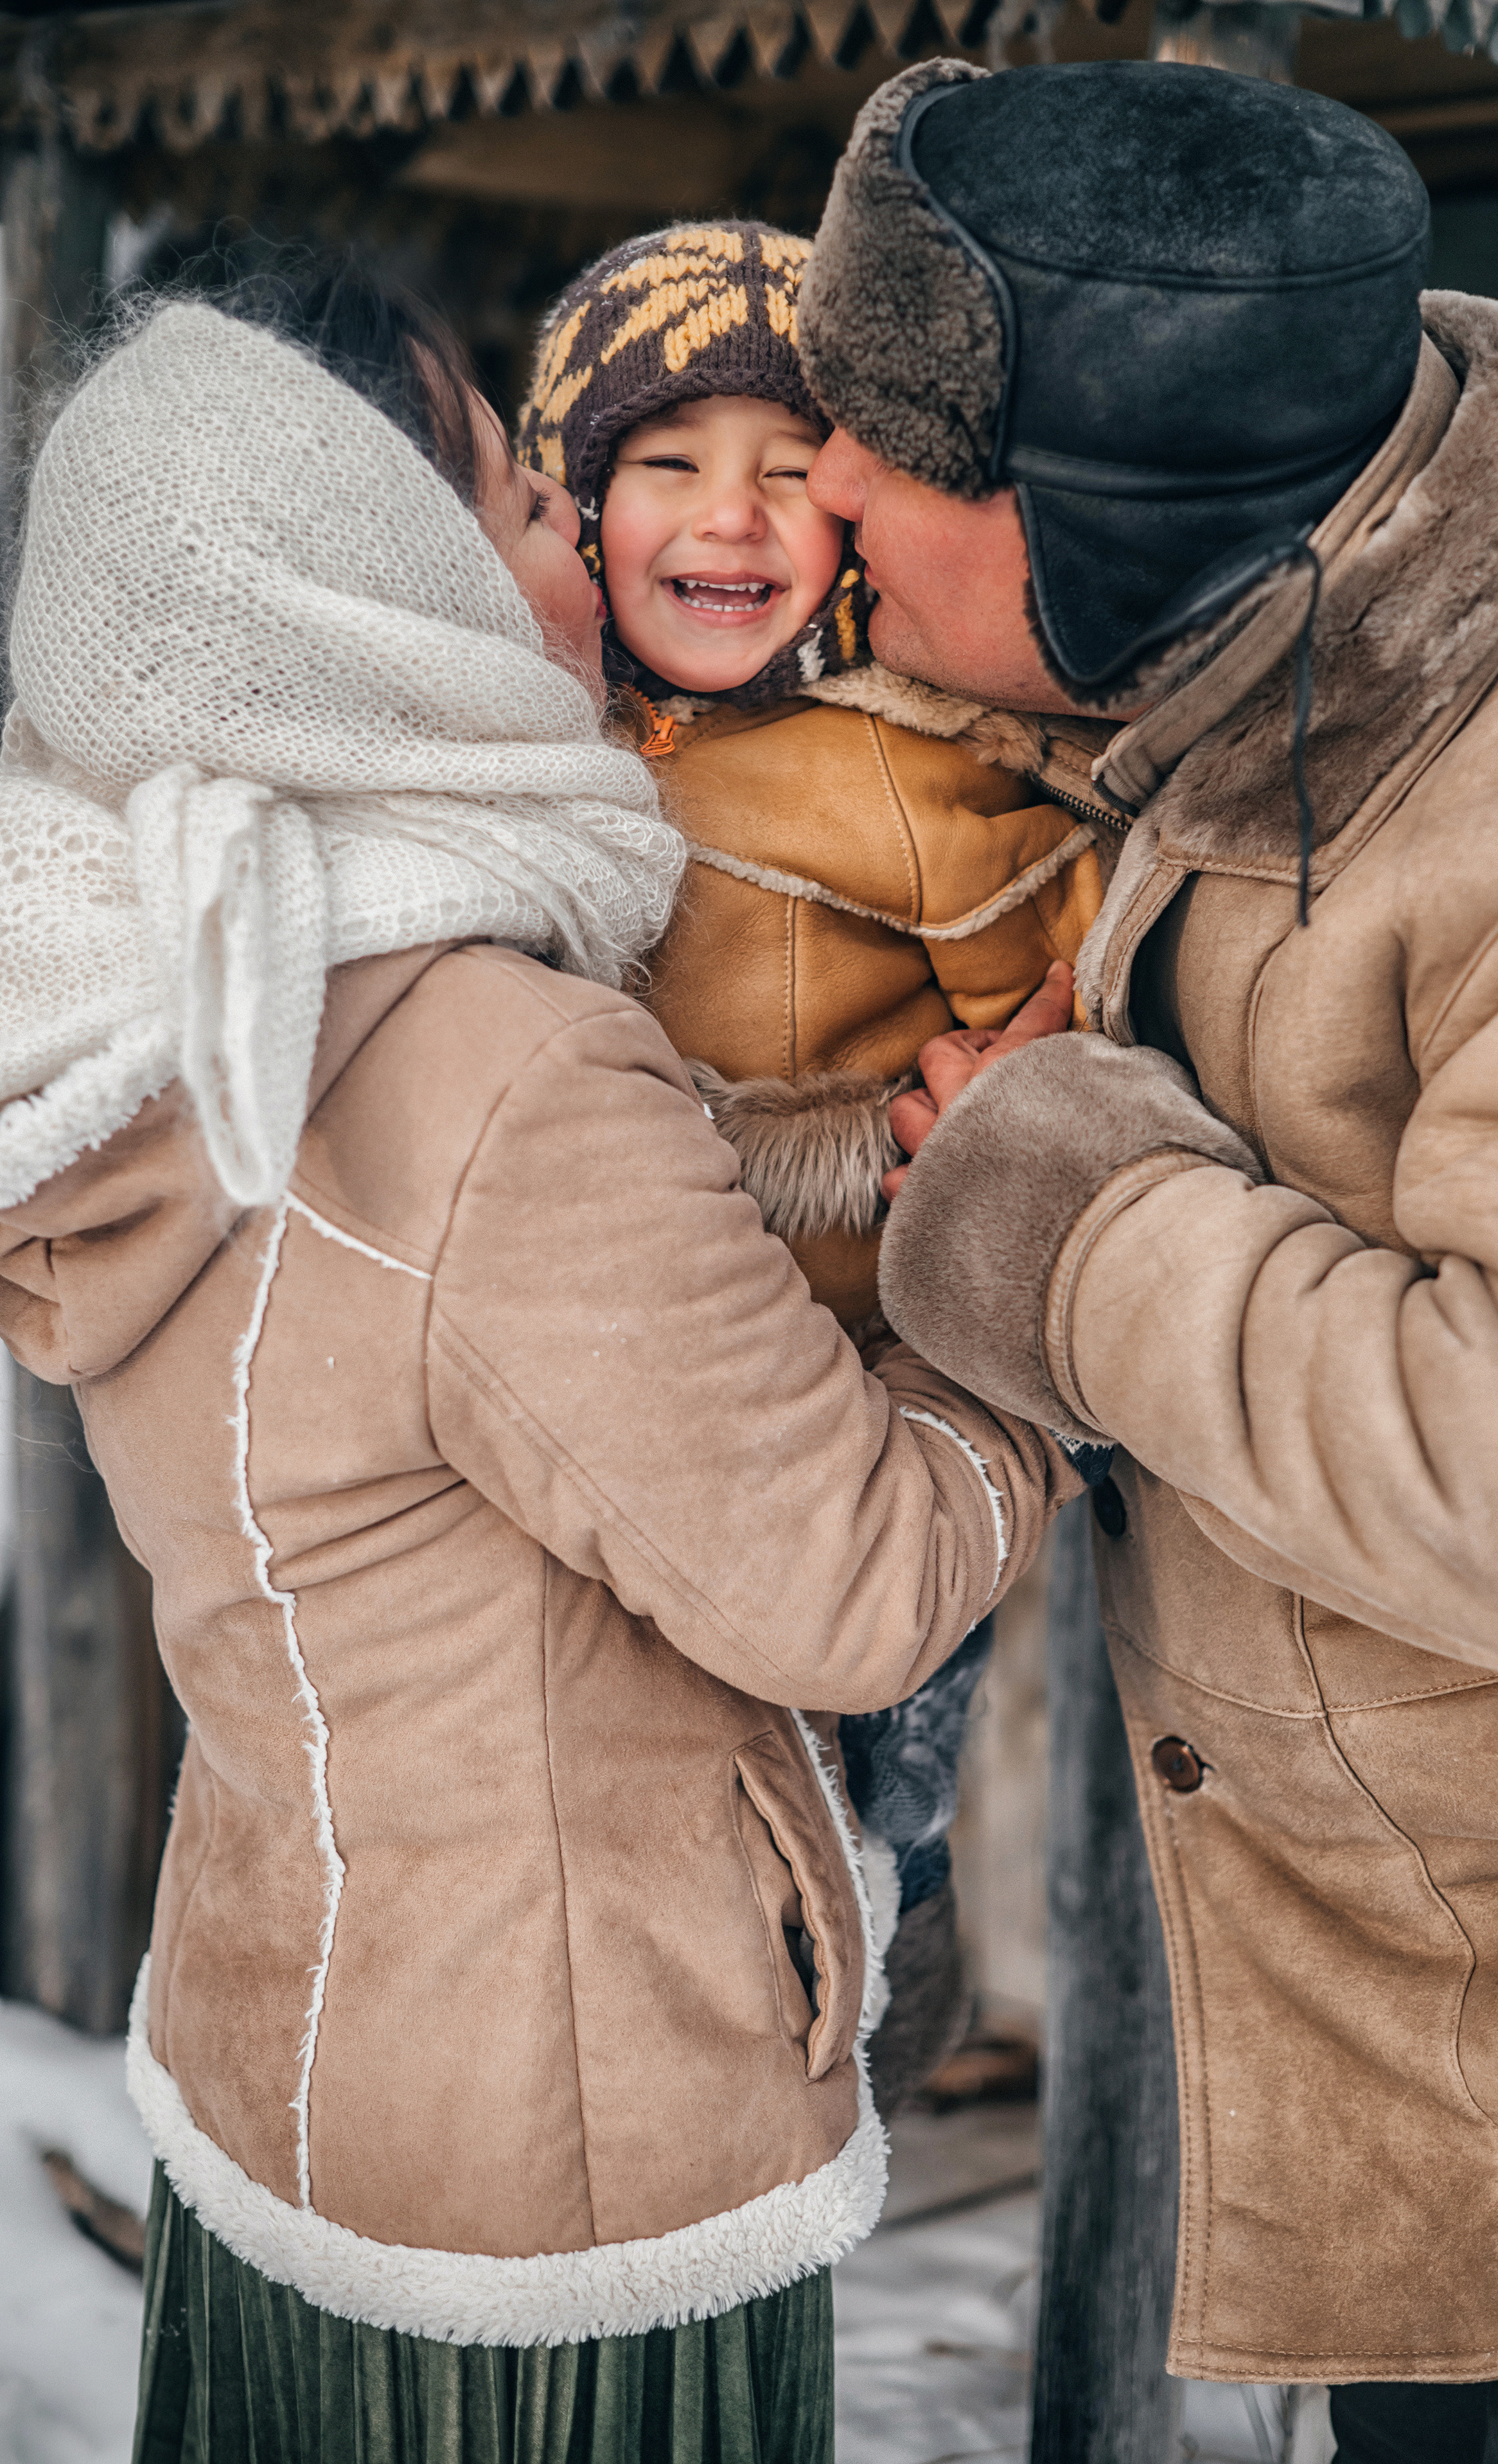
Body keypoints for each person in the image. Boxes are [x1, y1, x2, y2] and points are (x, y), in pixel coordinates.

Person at [0, 267, 1081, 2464]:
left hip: (285, 2043)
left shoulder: (164, 977)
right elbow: (852, 1586)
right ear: (380, 588)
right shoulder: (489, 1055)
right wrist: (1027, 1293)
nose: (574, 551)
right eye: (519, 500)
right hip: (562, 2171)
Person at [800, 55, 1498, 2464]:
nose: (826, 483)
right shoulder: (1299, 632)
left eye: (897, 441)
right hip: (1439, 2051)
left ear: (1103, 507)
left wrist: (1075, 1219)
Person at [516, 220, 1109, 2110]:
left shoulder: (918, 778)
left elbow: (1058, 1016)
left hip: (842, 1389)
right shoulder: (539, 745)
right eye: (669, 466)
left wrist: (936, 1136)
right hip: (596, 1361)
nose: (736, 516)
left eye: (791, 472)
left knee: (866, 1730)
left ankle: (889, 1915)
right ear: (574, 507)